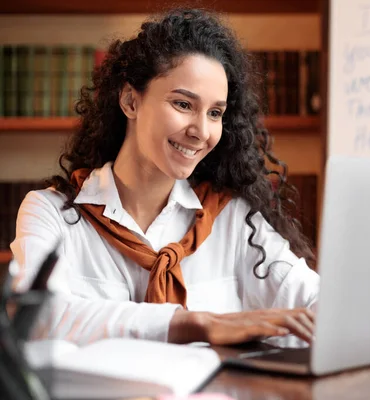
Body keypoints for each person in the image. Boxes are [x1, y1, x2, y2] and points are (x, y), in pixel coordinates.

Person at [9, 8, 320, 346]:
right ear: (130, 101)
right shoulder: (50, 214)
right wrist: (194, 324)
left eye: (215, 113)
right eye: (183, 105)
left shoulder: (232, 219)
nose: (201, 131)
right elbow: (37, 318)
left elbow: (318, 306)